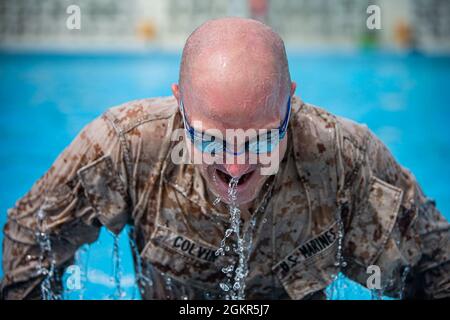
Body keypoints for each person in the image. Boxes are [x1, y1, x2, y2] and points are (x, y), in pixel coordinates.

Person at [1, 17, 449, 300]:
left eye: (260, 139)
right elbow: (28, 245)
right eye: (212, 140)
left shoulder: (344, 160)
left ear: (290, 103)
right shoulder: (127, 146)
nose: (236, 167)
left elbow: (436, 268)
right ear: (180, 105)